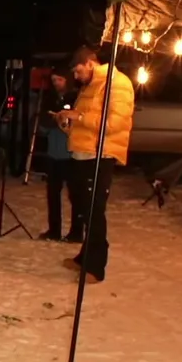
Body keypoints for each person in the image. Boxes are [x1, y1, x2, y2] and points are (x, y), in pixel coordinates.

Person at [56, 46, 135, 283]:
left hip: (100, 155)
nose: (76, 76)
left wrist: (79, 117)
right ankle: (84, 258)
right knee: (82, 207)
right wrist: (66, 122)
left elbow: (115, 123)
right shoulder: (90, 85)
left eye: (78, 71)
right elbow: (85, 123)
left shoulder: (117, 83)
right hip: (82, 154)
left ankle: (96, 267)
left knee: (94, 211)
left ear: (90, 64)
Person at [39, 67, 81, 242]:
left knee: (75, 195)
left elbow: (79, 122)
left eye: (60, 80)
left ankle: (77, 232)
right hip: (53, 152)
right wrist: (52, 120)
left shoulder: (76, 97)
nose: (56, 83)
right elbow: (42, 123)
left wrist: (64, 121)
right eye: (54, 80)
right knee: (53, 193)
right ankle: (54, 230)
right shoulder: (49, 98)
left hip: (71, 153)